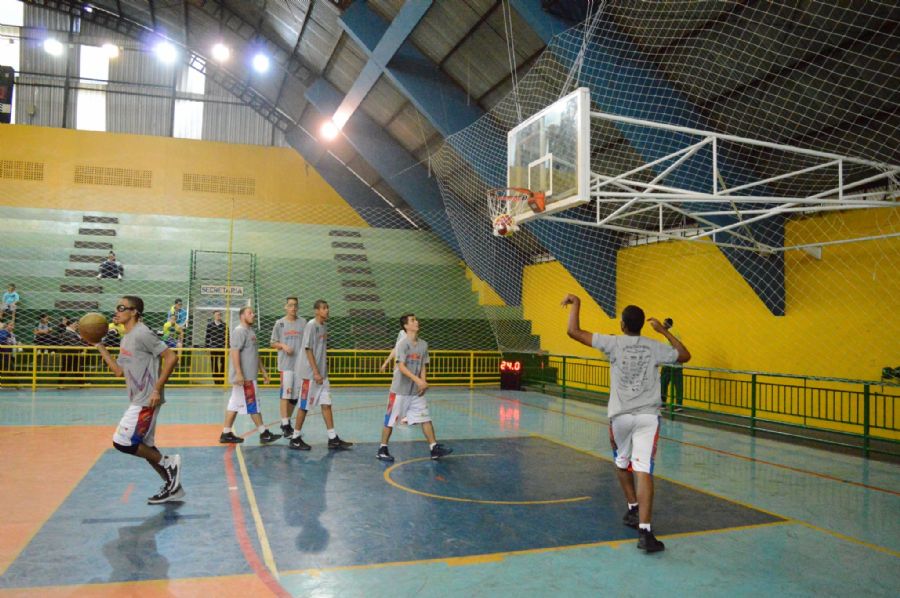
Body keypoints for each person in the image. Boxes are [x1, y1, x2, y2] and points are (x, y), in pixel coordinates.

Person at [561, 294, 690, 554]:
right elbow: (685, 355)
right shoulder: (654, 346)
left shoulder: (613, 343)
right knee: (644, 470)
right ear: (642, 325)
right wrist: (664, 331)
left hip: (620, 416)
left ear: (622, 325)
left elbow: (573, 331)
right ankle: (645, 531)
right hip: (647, 418)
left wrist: (577, 303)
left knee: (622, 462)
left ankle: (633, 507)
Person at [93, 296, 183, 504]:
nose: (116, 311)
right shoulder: (126, 338)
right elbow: (118, 371)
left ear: (134, 312)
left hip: (146, 399)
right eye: (116, 308)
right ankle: (173, 487)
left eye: (121, 307)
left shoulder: (142, 333)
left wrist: (156, 389)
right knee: (146, 448)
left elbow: (171, 357)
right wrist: (99, 345)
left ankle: (169, 462)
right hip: (138, 399)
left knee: (122, 442)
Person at [376, 314, 452, 462]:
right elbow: (401, 366)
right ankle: (382, 449)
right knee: (390, 420)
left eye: (416, 319)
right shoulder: (402, 344)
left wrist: (423, 381)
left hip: (416, 391)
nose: (416, 322)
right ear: (406, 326)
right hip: (400, 390)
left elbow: (423, 365)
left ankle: (434, 448)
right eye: (413, 320)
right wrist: (418, 380)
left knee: (425, 418)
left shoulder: (423, 344)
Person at [288, 300, 353, 451]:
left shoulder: (324, 326)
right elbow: (308, 349)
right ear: (316, 311)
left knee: (326, 404)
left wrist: (322, 372)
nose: (327, 310)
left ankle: (333, 438)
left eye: (327, 307)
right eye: (323, 308)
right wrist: (316, 372)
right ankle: (295, 438)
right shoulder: (311, 325)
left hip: (322, 375)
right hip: (310, 375)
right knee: (304, 406)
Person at [219, 306, 280, 444]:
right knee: (253, 405)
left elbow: (254, 354)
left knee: (234, 405)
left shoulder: (251, 331)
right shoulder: (239, 331)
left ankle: (226, 433)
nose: (253, 314)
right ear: (242, 316)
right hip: (245, 377)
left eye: (253, 312)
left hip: (249, 376)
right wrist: (239, 373)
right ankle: (264, 433)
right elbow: (234, 352)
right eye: (249, 313)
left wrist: (263, 371)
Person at [270, 297, 306, 439]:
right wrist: (283, 346)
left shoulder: (303, 323)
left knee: (295, 397)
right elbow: (273, 342)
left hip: (300, 365)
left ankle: (286, 422)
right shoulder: (280, 323)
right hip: (286, 365)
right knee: (286, 394)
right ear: (285, 307)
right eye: (290, 305)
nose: (293, 308)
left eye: (295, 305)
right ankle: (285, 425)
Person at [659, 318, 685, 412]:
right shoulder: (675, 332)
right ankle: (678, 405)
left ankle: (663, 404)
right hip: (677, 364)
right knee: (678, 386)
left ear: (667, 324)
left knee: (663, 384)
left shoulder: (669, 333)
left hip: (669, 365)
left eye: (664, 324)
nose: (662, 325)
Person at [205, 311, 226, 383]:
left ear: (221, 316)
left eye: (219, 314)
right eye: (216, 315)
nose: (218, 316)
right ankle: (216, 380)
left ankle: (222, 379)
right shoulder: (210, 325)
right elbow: (207, 337)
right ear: (214, 316)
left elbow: (227, 336)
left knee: (223, 363)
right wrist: (207, 347)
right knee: (214, 363)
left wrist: (228, 347)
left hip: (222, 347)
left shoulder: (224, 325)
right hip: (213, 346)